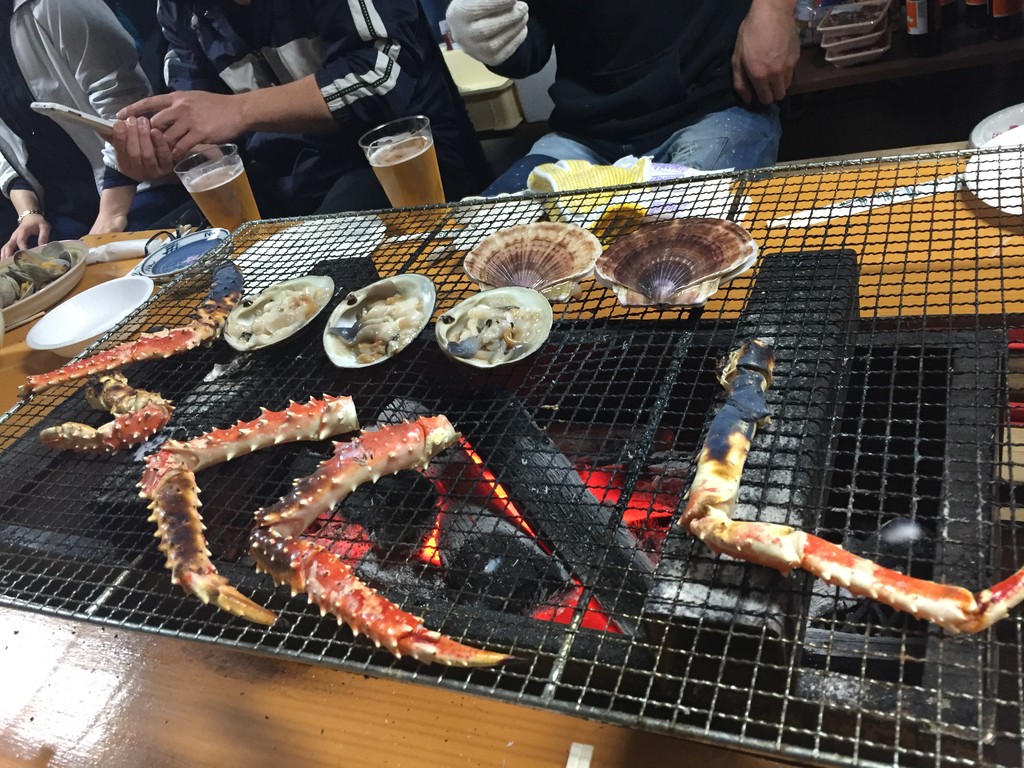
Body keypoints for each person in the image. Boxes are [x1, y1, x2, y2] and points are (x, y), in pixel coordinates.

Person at [113, 0, 493, 220]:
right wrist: (170, 154)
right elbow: (210, 134)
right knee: (176, 265)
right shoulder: (179, 8)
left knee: (326, 272)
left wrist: (239, 109)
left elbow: (382, 73)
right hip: (286, 176)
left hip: (392, 153)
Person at [445, 0, 800, 179]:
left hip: (712, 105)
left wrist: (775, 9)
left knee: (691, 252)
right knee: (494, 247)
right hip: (585, 130)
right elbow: (530, 48)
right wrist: (489, 32)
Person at [0, 0, 188, 259]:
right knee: (27, 264)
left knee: (126, 269)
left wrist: (111, 215)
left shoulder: (53, 6)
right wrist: (28, 213)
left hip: (134, 184)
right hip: (63, 207)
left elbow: (125, 107)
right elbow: (7, 150)